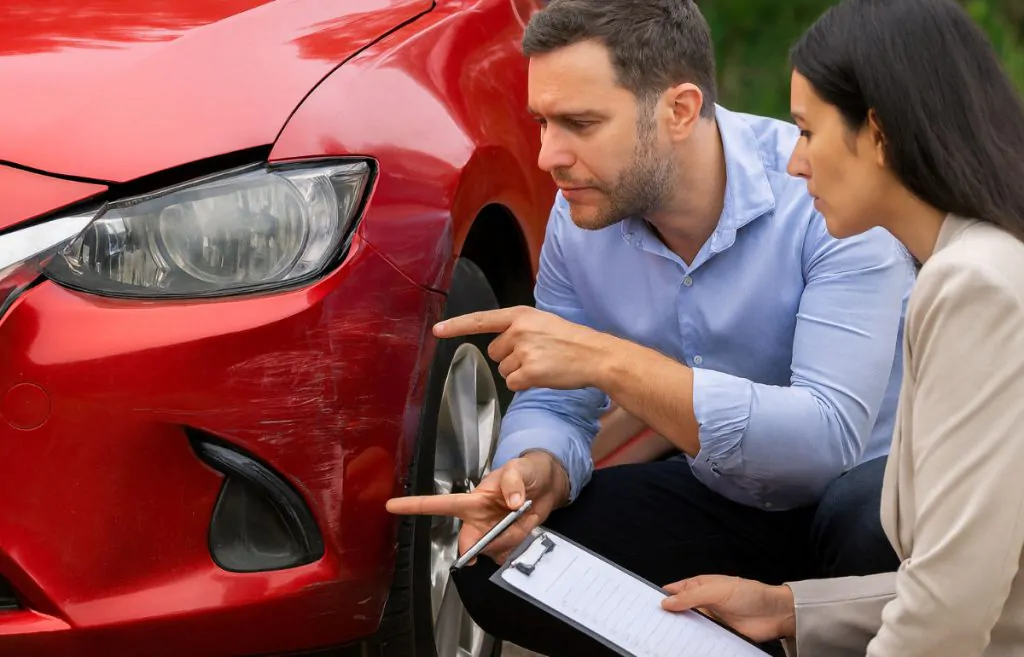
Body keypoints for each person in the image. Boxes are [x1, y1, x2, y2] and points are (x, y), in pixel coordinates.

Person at [388, 0, 913, 654]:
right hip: (726, 496)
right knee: (500, 563)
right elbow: (556, 399)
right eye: (543, 123)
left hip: (864, 507)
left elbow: (824, 439)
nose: (548, 155)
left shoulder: (822, 195)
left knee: (868, 520)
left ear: (680, 111)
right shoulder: (581, 219)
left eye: (580, 123)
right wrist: (534, 469)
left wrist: (611, 363)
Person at [659, 1, 1024, 655]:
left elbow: (951, 611)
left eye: (807, 131)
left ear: (877, 133)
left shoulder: (975, 284)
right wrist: (791, 609)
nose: (796, 163)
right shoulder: (971, 263)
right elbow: (979, 582)